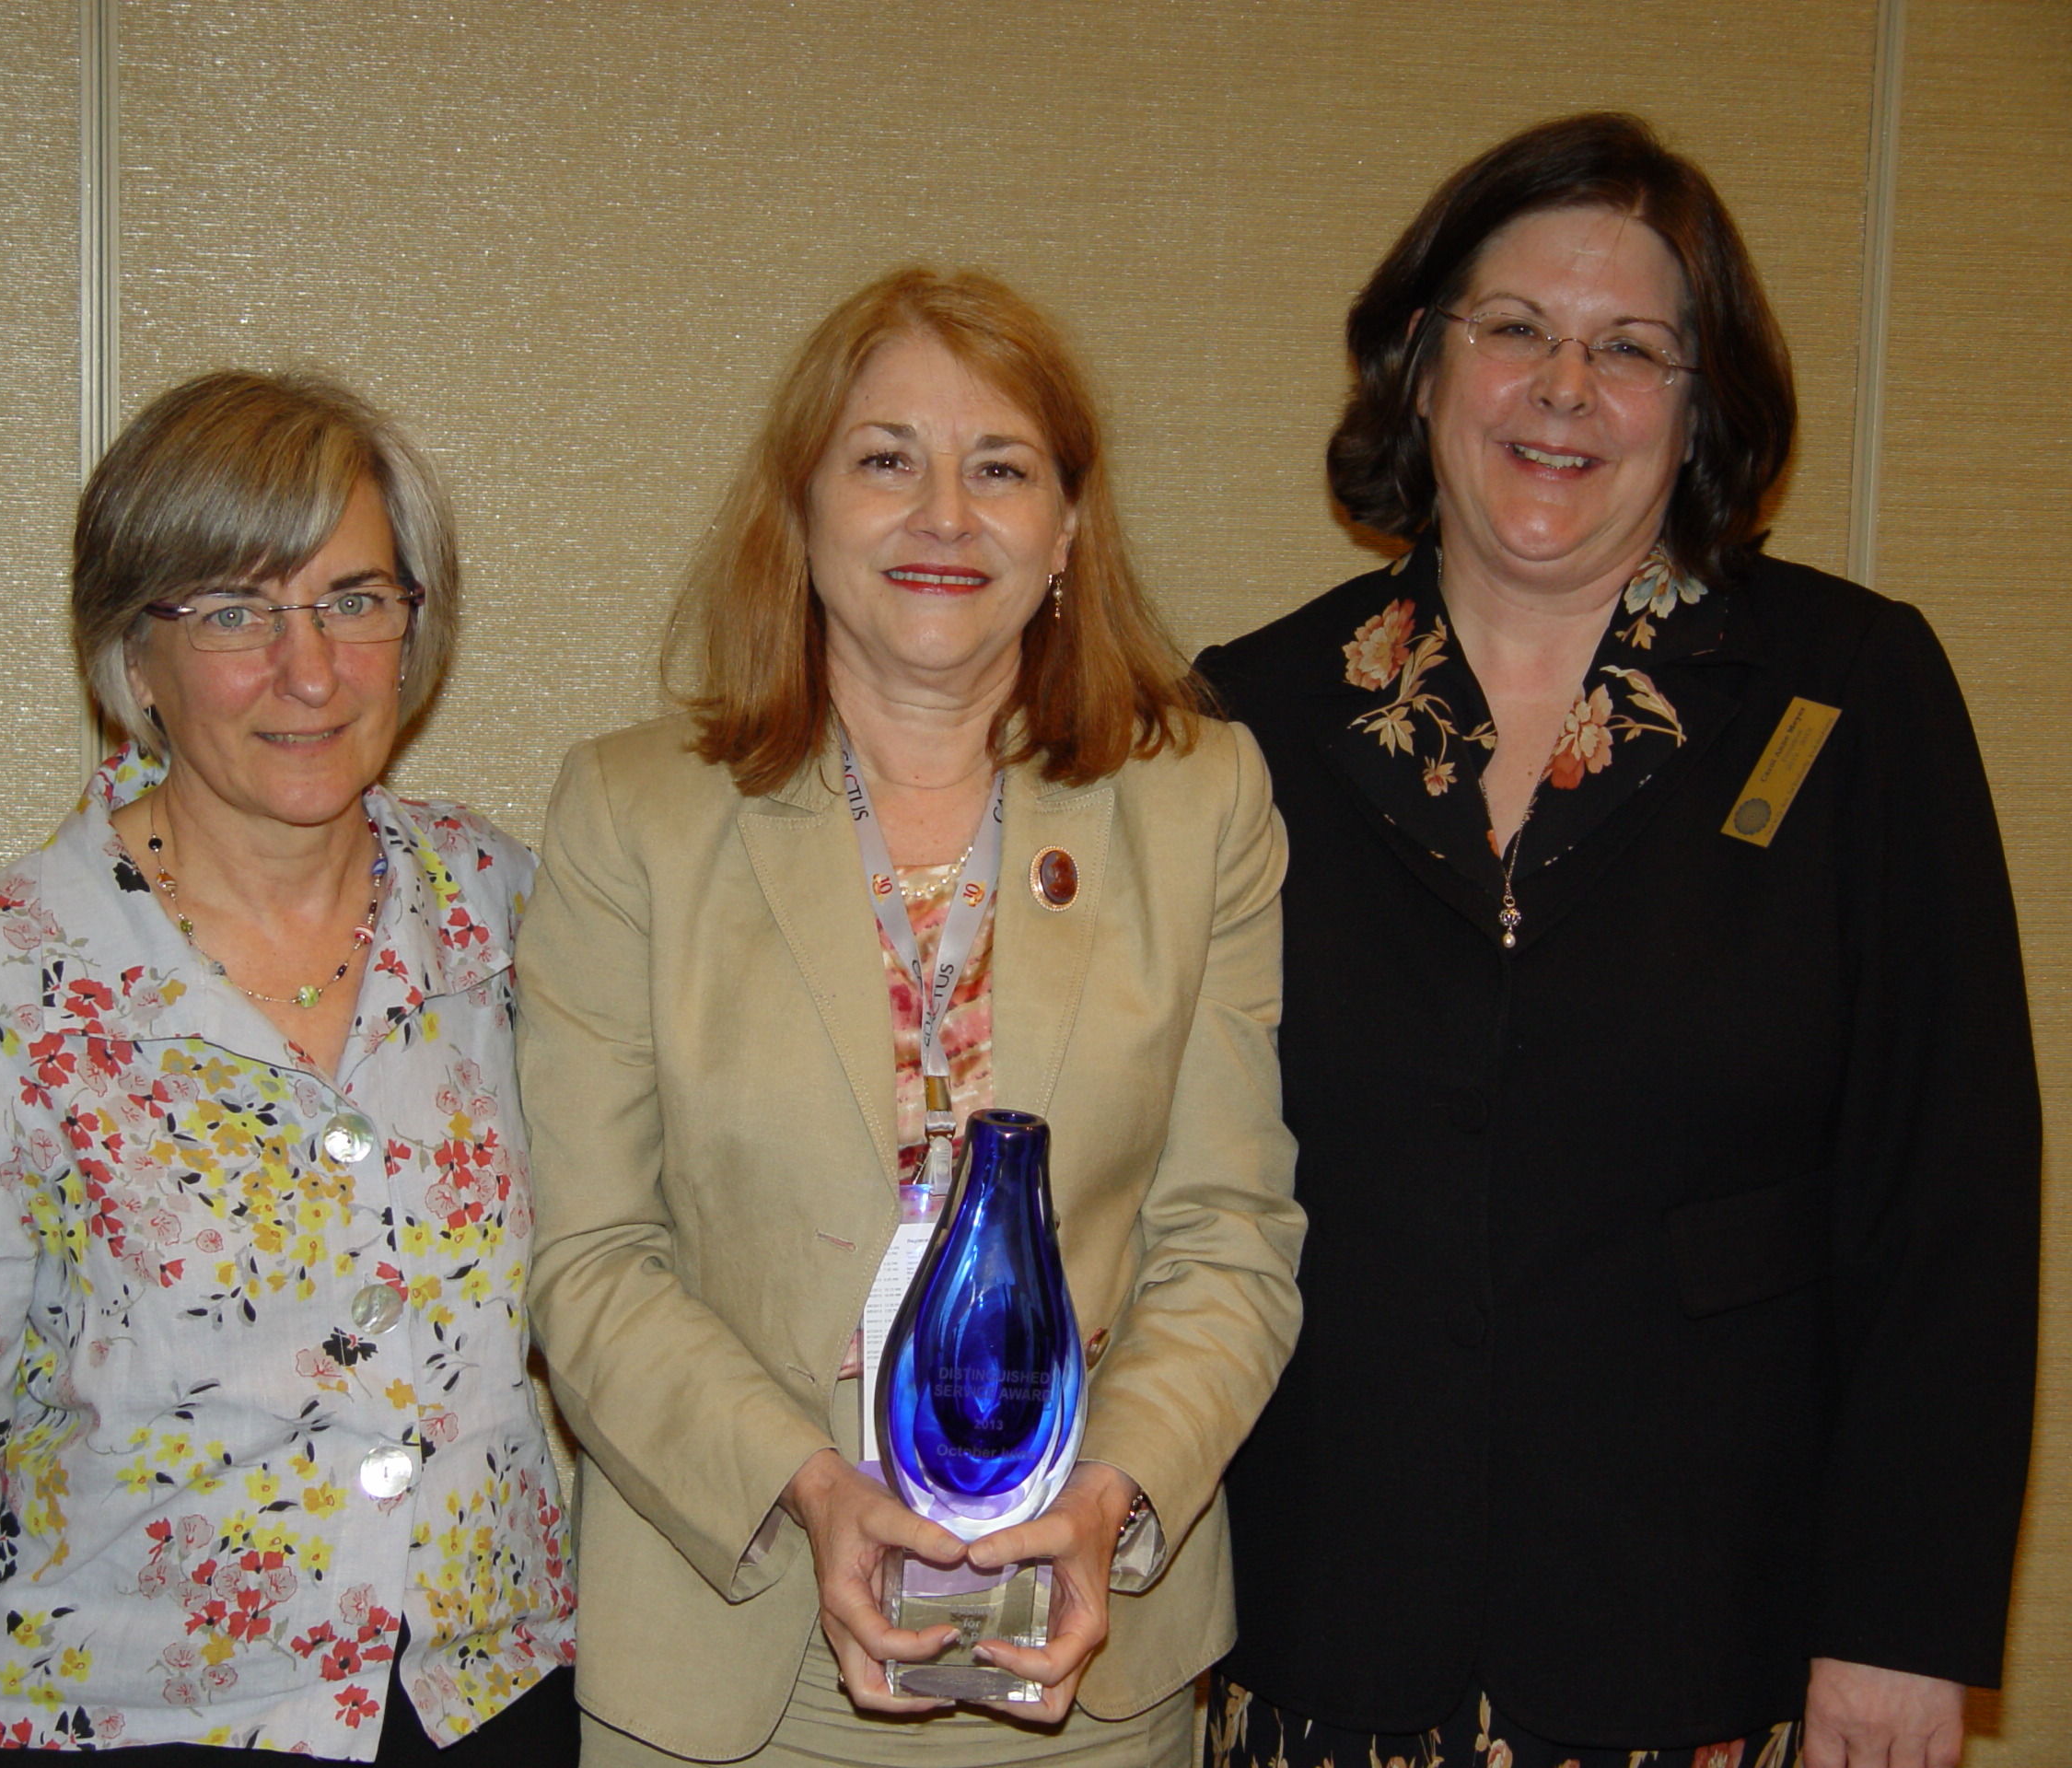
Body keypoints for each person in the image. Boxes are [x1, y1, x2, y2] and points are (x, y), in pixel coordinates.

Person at [1197, 112, 2039, 1768]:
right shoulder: (1250, 718)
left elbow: (1947, 1195)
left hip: (1704, 1648)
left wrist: (1903, 1625)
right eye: (1515, 328)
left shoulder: (1848, 694)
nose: (1565, 389)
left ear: (1701, 407)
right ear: (1422, 366)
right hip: (1322, 1631)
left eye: (1633, 348)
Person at [514, 266, 1305, 1768]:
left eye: (1000, 469)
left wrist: (1109, 1497)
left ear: (1066, 530)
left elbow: (1230, 1236)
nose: (945, 517)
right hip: (732, 1657)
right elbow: (595, 1259)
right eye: (886, 460)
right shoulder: (634, 815)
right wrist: (813, 1492)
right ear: (801, 509)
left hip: (1082, 1656)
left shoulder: (1200, 803)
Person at [0, 368, 576, 1768]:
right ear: (132, 656)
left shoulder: (508, 912)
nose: (309, 670)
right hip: (137, 1726)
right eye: (231, 611)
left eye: (352, 598)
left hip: (492, 1712)